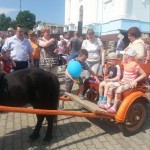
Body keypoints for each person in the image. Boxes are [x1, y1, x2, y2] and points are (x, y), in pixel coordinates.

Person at [106, 48, 146, 114]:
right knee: (111, 87)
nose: (123, 55)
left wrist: (134, 81)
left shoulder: (135, 65)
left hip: (129, 83)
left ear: (128, 56)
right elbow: (120, 62)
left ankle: (114, 107)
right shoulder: (125, 62)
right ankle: (108, 104)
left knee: (118, 89)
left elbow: (144, 74)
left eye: (125, 54)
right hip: (123, 82)